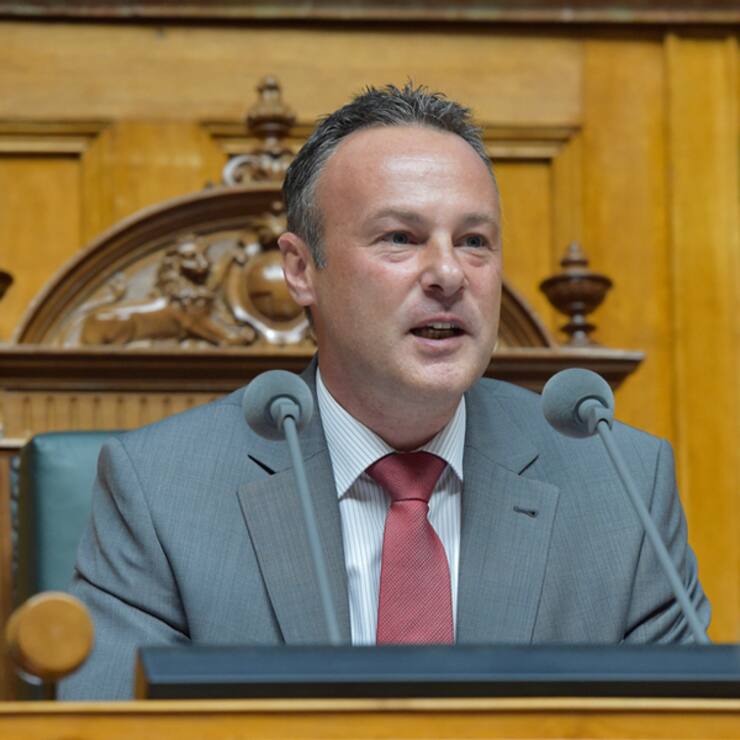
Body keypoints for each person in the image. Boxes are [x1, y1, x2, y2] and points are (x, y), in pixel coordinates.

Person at [60, 83, 709, 700]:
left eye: (474, 241)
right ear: (300, 269)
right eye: (401, 238)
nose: (448, 273)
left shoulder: (619, 488)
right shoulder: (163, 492)